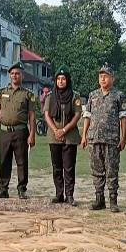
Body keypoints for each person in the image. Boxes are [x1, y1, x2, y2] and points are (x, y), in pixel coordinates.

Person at [81, 63, 126, 212]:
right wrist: (84, 136)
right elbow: (87, 116)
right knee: (97, 170)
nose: (102, 79)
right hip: (94, 138)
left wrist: (123, 136)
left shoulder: (118, 96)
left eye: (105, 76)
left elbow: (123, 117)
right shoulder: (93, 95)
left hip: (112, 139)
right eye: (100, 76)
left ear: (112, 78)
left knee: (112, 170)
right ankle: (99, 199)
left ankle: (113, 201)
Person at [0, 62, 36, 199]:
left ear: (22, 76)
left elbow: (32, 115)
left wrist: (32, 134)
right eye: (12, 74)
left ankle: (22, 189)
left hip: (20, 131)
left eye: (17, 73)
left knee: (22, 161)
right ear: (9, 76)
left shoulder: (28, 94)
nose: (14, 76)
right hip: (4, 131)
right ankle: (3, 189)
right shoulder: (2, 92)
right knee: (4, 160)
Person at [44, 65, 81, 206]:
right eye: (58, 79)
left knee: (69, 167)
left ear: (68, 80)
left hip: (70, 136)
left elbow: (77, 115)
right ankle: (59, 194)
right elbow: (47, 114)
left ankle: (69, 195)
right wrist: (56, 130)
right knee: (57, 166)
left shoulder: (74, 96)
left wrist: (64, 130)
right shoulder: (51, 96)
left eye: (63, 79)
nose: (60, 81)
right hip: (54, 136)